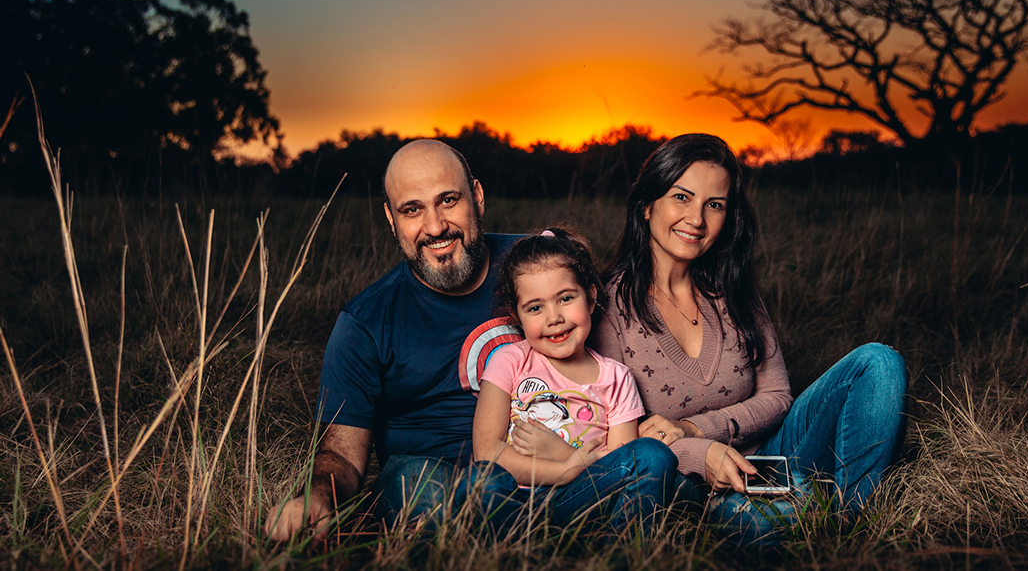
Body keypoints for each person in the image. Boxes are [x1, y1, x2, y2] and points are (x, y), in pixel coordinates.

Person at [589, 133, 908, 546]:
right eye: (681, 197)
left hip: (776, 453)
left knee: (879, 363)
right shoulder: (608, 309)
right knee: (765, 529)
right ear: (647, 205)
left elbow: (778, 396)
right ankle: (798, 514)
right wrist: (701, 456)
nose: (697, 219)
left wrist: (692, 428)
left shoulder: (732, 289)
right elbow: (621, 446)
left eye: (714, 205)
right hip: (697, 484)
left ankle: (850, 525)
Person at [264, 139, 518, 539]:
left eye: (448, 200)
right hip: (428, 483)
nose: (435, 227)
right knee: (418, 484)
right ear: (391, 219)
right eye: (412, 209)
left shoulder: (538, 267)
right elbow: (342, 456)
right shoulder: (365, 322)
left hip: (541, 465)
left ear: (477, 197)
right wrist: (316, 498)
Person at [460, 228, 675, 533]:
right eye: (535, 307)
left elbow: (620, 465)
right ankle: (523, 549)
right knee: (479, 480)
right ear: (516, 315)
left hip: (583, 504)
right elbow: (487, 452)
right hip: (516, 504)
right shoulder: (508, 360)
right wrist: (563, 471)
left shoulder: (617, 378)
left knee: (652, 455)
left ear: (590, 297)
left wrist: (565, 456)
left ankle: (613, 552)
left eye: (565, 299)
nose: (553, 317)